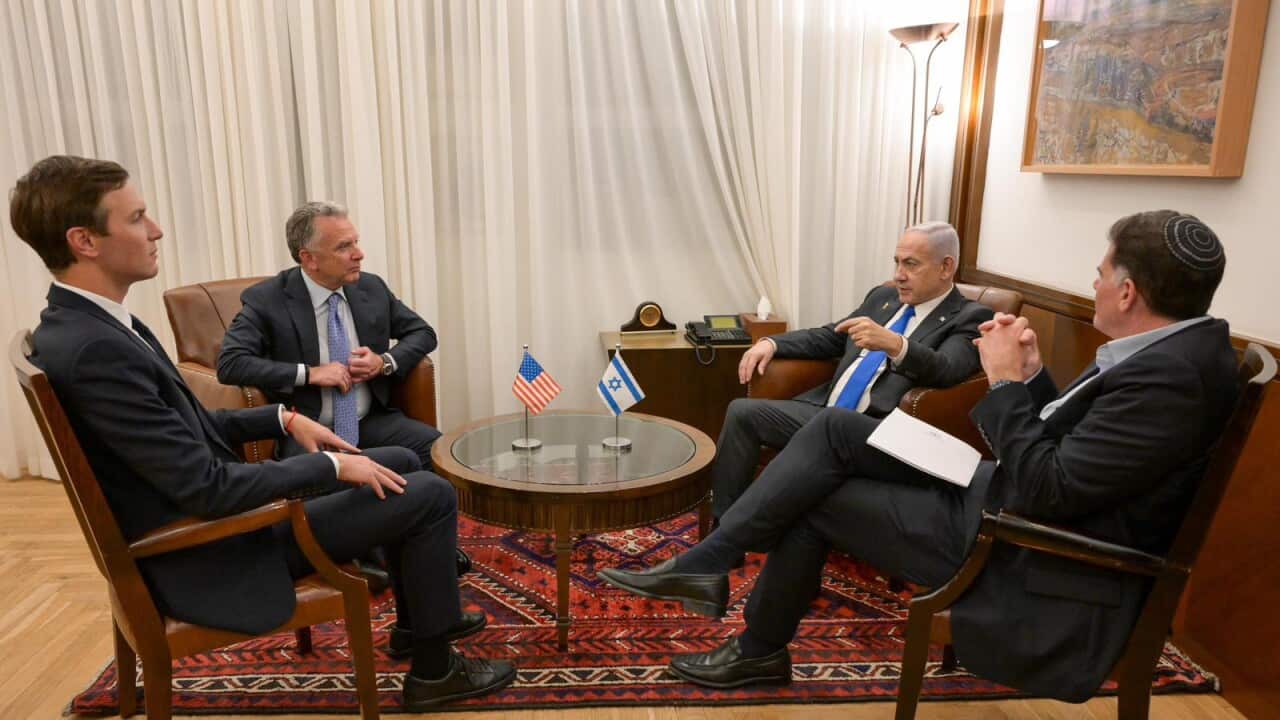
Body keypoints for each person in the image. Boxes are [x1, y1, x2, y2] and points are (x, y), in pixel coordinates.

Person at [599, 210, 1238, 703]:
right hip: (999, 490)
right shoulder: (1176, 353)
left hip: (1023, 544)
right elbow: (1067, 443)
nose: (1093, 284)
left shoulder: (1171, 379)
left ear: (1127, 294)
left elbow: (1050, 490)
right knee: (832, 434)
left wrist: (1005, 384)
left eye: (1100, 274)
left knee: (813, 493)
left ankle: (747, 628)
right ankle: (714, 571)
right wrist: (1035, 377)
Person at [12, 156, 513, 709]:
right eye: (136, 217)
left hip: (215, 524)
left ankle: (418, 630)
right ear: (84, 240)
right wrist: (332, 464)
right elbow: (209, 488)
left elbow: (191, 429)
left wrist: (283, 418)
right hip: (213, 549)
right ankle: (436, 673)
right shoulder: (96, 350)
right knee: (430, 493)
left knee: (402, 459)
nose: (156, 230)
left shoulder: (88, 327)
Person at [710, 221, 992, 521]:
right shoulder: (883, 298)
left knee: (822, 437)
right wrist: (773, 343)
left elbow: (948, 368)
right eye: (897, 262)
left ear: (946, 267)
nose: (899, 275)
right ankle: (722, 524)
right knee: (741, 413)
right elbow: (832, 336)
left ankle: (751, 527)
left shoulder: (971, 317)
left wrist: (896, 345)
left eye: (911, 264)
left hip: (874, 429)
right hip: (824, 411)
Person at [217, 201, 440, 470]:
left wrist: (384, 362)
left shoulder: (371, 287)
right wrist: (309, 374)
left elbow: (423, 332)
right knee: (325, 475)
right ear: (309, 258)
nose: (359, 254)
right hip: (306, 428)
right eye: (344, 247)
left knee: (438, 452)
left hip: (369, 421)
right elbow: (231, 363)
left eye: (356, 242)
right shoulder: (268, 299)